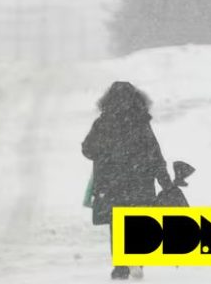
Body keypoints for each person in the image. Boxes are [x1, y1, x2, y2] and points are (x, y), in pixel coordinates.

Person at [82, 81, 172, 280]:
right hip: (140, 182)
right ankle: (137, 261)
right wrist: (165, 181)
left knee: (117, 224)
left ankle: (121, 266)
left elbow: (87, 149)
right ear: (136, 99)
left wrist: (104, 153)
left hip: (112, 184)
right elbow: (154, 153)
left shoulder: (103, 123)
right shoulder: (141, 122)